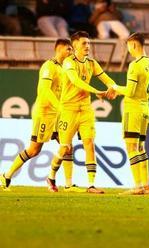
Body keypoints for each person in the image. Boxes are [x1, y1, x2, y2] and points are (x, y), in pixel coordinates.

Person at [46, 31, 117, 194]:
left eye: (89, 43)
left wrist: (116, 88)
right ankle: (51, 177)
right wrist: (95, 91)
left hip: (85, 110)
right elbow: (76, 81)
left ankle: (91, 184)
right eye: (84, 43)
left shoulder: (92, 63)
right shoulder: (68, 62)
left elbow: (107, 79)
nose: (87, 46)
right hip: (68, 110)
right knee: (65, 147)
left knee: (89, 144)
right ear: (75, 45)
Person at [0, 39, 76, 191]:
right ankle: (6, 175)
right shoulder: (49, 66)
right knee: (34, 150)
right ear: (59, 49)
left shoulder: (65, 68)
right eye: (69, 49)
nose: (71, 52)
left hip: (57, 114)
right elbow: (45, 90)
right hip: (45, 113)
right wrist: (59, 106)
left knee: (67, 146)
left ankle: (65, 183)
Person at [112, 33, 149, 195]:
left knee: (131, 147)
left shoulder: (135, 65)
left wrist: (116, 88)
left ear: (134, 45)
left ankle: (138, 186)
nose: (128, 50)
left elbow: (130, 91)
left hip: (133, 110)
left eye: (128, 46)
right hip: (145, 109)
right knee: (140, 147)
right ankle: (145, 185)